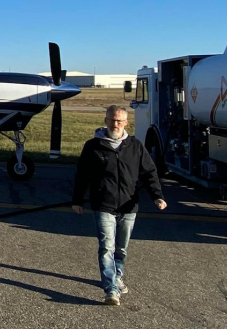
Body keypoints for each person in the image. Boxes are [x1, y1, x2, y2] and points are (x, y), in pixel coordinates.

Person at [72, 105, 167, 306]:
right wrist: (77, 200)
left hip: (128, 206)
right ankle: (111, 289)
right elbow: (82, 175)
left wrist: (157, 196)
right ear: (105, 120)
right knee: (106, 247)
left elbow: (149, 173)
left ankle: (117, 276)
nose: (116, 124)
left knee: (121, 249)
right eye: (112, 120)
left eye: (120, 121)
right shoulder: (93, 146)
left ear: (126, 123)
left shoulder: (135, 146)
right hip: (103, 204)